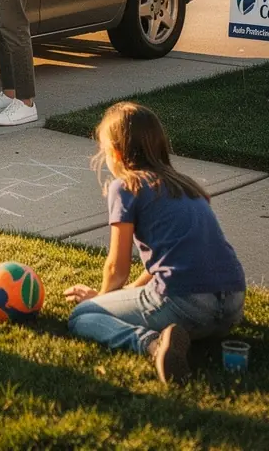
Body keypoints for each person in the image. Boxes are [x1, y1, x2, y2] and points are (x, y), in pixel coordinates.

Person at [64, 101, 246, 385]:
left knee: (82, 316)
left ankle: (152, 345)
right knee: (143, 298)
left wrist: (100, 301)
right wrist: (120, 298)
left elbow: (117, 268)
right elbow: (172, 256)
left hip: (186, 303)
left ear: (115, 152)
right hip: (232, 306)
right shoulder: (187, 186)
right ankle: (178, 335)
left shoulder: (126, 186)